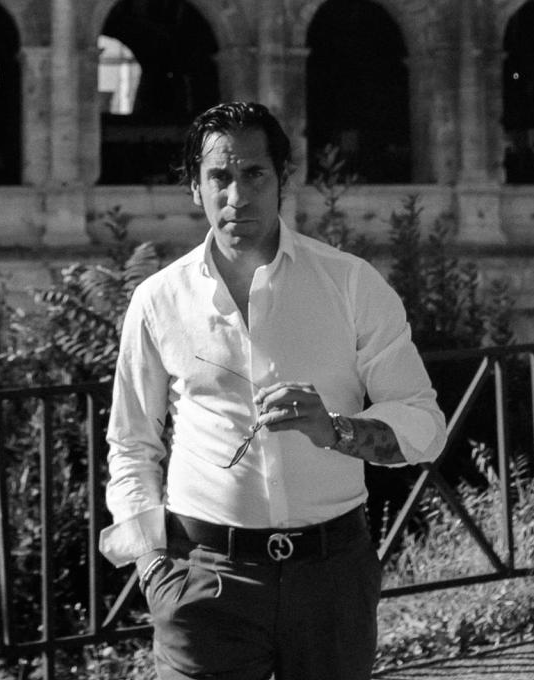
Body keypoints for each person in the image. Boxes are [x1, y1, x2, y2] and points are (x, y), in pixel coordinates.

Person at [98, 102, 446, 680]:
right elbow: (131, 444)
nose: (237, 196)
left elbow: (424, 425)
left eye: (255, 174)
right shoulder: (158, 300)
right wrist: (154, 569)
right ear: (195, 187)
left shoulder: (350, 283)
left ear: (284, 179)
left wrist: (334, 430)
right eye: (220, 176)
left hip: (330, 578)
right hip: (204, 581)